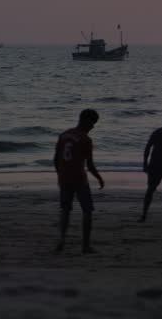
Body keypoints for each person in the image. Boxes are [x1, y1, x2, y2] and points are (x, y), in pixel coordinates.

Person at [54, 109, 104, 254]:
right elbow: (90, 165)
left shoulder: (63, 135)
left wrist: (60, 175)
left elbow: (56, 159)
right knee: (87, 211)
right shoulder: (85, 139)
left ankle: (61, 240)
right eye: (93, 123)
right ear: (86, 120)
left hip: (64, 178)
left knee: (65, 210)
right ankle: (85, 246)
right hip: (79, 179)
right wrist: (99, 178)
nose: (93, 127)